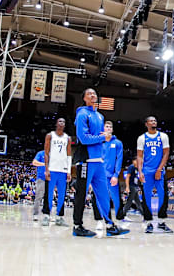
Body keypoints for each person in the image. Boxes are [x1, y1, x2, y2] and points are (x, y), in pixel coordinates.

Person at [72, 88, 125, 237]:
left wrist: (103, 138)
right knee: (81, 194)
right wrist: (102, 138)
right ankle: (77, 226)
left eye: (94, 93)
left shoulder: (100, 116)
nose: (93, 95)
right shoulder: (82, 114)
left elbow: (100, 136)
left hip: (99, 162)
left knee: (103, 194)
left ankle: (110, 225)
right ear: (84, 98)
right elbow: (84, 139)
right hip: (85, 160)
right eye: (89, 94)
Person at [137, 116, 172, 233]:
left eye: (155, 120)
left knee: (163, 195)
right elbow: (139, 156)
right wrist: (140, 171)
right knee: (146, 197)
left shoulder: (163, 136)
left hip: (160, 171)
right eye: (151, 121)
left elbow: (166, 153)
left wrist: (159, 169)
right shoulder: (142, 138)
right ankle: (148, 223)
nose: (154, 122)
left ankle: (162, 222)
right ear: (146, 124)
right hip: (147, 171)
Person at [93, 121, 123, 230]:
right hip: (99, 176)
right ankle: (100, 220)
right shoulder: (98, 142)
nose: (108, 128)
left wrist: (116, 174)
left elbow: (119, 159)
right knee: (98, 199)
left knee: (116, 198)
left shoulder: (118, 143)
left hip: (112, 176)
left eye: (110, 127)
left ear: (112, 130)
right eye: (106, 126)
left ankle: (119, 220)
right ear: (103, 129)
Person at [43, 118, 71, 227]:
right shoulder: (50, 136)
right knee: (49, 193)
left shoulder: (67, 138)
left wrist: (68, 171)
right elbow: (46, 153)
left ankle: (59, 217)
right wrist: (46, 169)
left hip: (63, 170)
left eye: (63, 122)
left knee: (62, 195)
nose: (61, 123)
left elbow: (69, 155)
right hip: (52, 169)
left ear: (65, 125)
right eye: (59, 121)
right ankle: (46, 216)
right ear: (56, 124)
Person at [31, 149, 49, 222]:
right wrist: (45, 164)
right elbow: (34, 162)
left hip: (50, 179)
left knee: (48, 198)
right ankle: (35, 214)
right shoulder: (41, 153)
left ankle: (47, 214)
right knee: (38, 196)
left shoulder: (54, 155)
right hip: (41, 178)